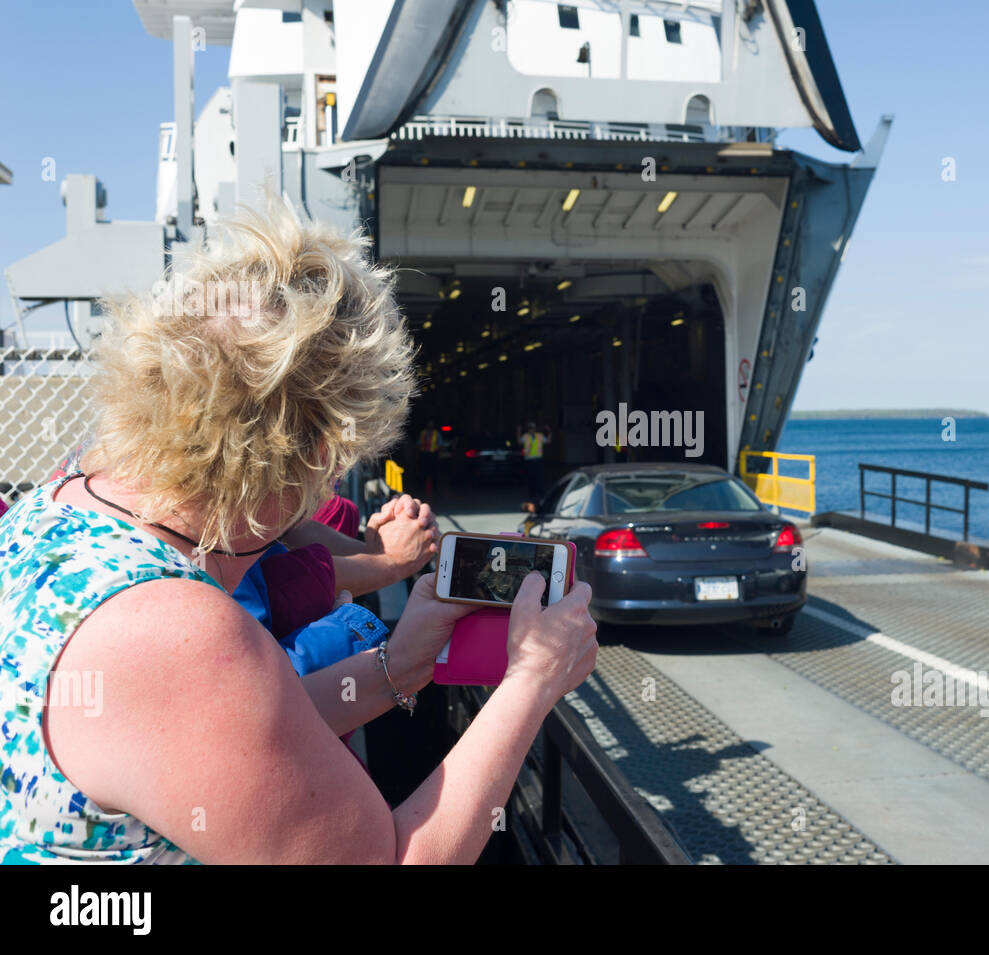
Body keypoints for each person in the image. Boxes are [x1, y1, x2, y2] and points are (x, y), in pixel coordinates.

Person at [0, 197, 597, 864]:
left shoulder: (61, 500)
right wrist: (532, 682)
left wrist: (401, 660)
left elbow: (233, 734)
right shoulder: (177, 630)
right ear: (322, 455)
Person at [518, 421, 551, 501]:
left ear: (535, 429)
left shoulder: (540, 436)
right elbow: (519, 442)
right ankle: (532, 494)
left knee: (540, 477)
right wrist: (518, 432)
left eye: (532, 428)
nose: (531, 430)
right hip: (529, 460)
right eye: (529, 428)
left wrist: (550, 432)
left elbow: (548, 441)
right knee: (531, 478)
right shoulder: (525, 436)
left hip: (538, 460)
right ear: (528, 429)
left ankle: (541, 493)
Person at [417, 419, 440, 497]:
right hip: (424, 454)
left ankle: (435, 488)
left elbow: (440, 444)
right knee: (423, 471)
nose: (430, 425)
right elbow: (419, 443)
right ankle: (421, 487)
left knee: (434, 472)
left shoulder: (437, 433)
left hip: (433, 454)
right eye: (429, 424)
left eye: (432, 424)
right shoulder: (423, 433)